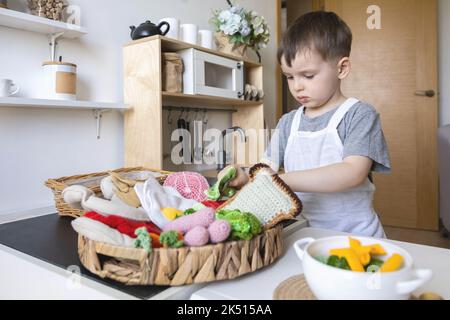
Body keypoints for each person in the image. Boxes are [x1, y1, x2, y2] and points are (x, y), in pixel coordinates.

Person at [224, 11, 391, 238]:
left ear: (341, 68)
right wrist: (245, 176)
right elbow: (265, 168)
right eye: (290, 77)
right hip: (304, 235)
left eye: (308, 75)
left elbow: (352, 172)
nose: (297, 87)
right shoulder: (288, 123)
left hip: (357, 237)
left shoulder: (359, 115)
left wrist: (278, 180)